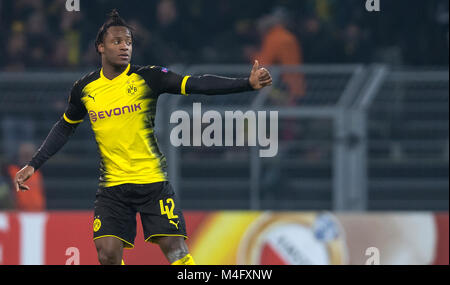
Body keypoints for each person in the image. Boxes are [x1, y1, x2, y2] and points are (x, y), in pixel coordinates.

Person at [12, 9, 272, 265]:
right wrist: (33, 164)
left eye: (128, 42)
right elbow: (64, 127)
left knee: (176, 250)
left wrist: (245, 84)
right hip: (113, 188)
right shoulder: (85, 88)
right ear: (100, 47)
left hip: (152, 183)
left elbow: (196, 83)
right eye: (117, 41)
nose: (125, 46)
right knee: (107, 253)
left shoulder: (148, 77)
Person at [7, 142, 45, 211]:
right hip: (19, 212)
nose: (27, 158)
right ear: (20, 155)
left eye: (30, 155)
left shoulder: (38, 173)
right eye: (25, 155)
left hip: (38, 211)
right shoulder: (11, 171)